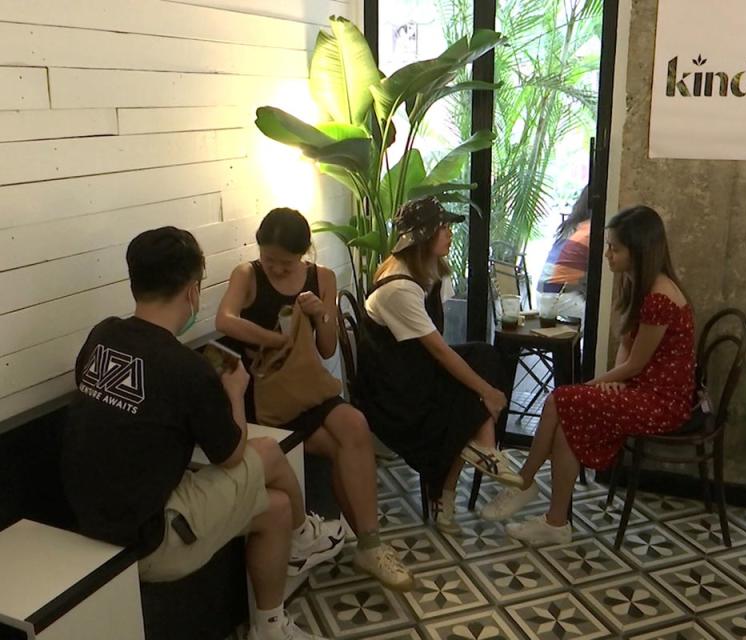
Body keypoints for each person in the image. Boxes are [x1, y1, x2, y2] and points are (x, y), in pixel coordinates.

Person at [62, 227, 333, 640]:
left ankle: (270, 626)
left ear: (135, 281)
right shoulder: (185, 368)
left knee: (276, 507)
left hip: (91, 516)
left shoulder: (103, 334)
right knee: (269, 453)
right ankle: (306, 537)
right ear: (193, 291)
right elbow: (232, 454)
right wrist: (235, 391)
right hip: (151, 540)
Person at [215, 208, 413, 591]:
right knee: (341, 448)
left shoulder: (321, 277)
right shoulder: (247, 275)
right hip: (265, 398)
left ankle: (370, 543)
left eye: (283, 262)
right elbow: (225, 320)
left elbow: (325, 349)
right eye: (267, 258)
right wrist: (271, 338)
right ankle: (363, 544)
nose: (273, 268)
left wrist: (323, 313)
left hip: (308, 389)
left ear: (304, 252)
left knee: (355, 425)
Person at [481, 206, 696, 543]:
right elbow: (627, 347)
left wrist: (600, 384)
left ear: (638, 250)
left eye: (615, 248)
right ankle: (554, 523)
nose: (607, 254)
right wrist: (615, 381)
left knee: (561, 398)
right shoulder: (640, 285)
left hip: (661, 402)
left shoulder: (659, 297)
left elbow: (637, 364)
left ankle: (525, 484)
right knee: (569, 413)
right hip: (641, 388)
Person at [356, 197, 523, 534]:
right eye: (443, 228)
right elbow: (440, 351)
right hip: (393, 393)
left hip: (411, 371)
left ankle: (480, 452)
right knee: (471, 394)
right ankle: (459, 478)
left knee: (485, 357)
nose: (449, 234)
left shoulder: (426, 273)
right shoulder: (400, 287)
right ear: (424, 237)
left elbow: (436, 349)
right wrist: (489, 392)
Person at [537, 187, 590, 320]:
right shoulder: (590, 230)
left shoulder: (572, 226)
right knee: (598, 316)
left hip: (544, 294)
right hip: (559, 297)